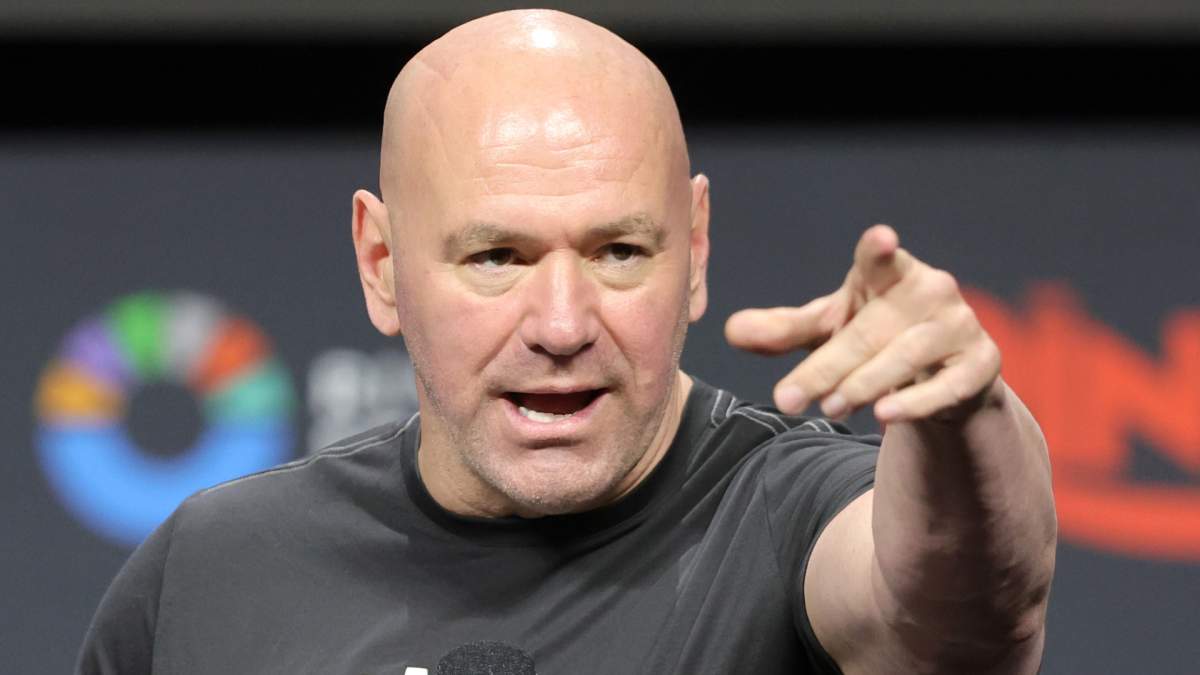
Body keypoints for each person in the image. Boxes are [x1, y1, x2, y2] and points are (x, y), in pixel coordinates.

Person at [78, 9, 1056, 674]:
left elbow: (964, 611)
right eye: (497, 257)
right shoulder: (212, 570)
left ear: (695, 249)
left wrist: (967, 419)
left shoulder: (787, 513)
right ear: (381, 263)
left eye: (619, 251)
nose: (561, 325)